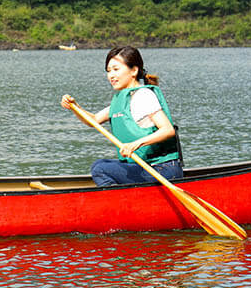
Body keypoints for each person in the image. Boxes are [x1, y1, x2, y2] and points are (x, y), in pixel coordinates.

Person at [61, 46, 183, 187]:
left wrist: (135, 144)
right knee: (100, 164)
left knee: (100, 170)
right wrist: (75, 107)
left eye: (116, 69)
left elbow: (167, 130)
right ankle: (124, 197)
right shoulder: (123, 99)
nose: (111, 75)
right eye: (108, 71)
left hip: (163, 169)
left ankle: (119, 200)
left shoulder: (143, 96)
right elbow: (93, 121)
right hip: (146, 168)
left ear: (134, 70)